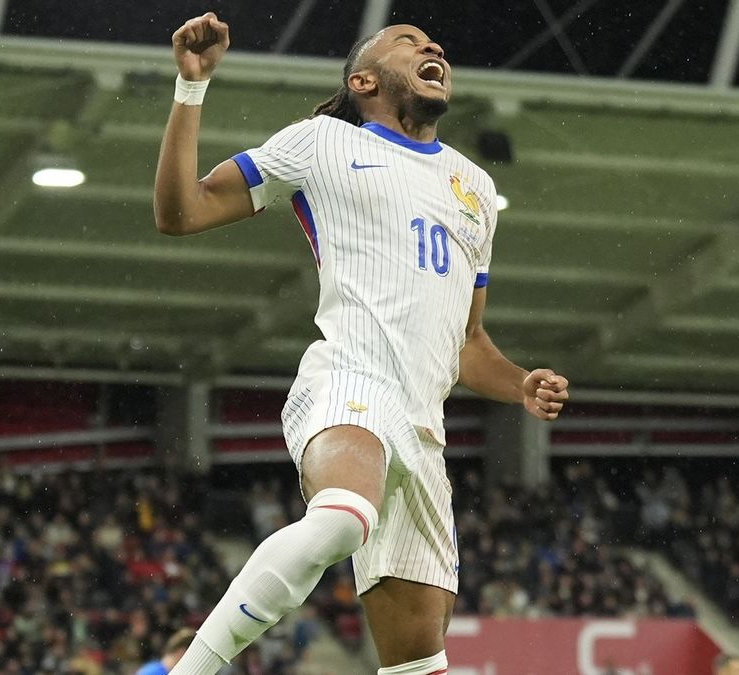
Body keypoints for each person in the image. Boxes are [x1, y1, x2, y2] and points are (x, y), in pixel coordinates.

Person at [154, 12, 569, 675]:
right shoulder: (320, 143)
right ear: (364, 79)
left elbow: (468, 342)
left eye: (434, 43)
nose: (432, 45)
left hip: (423, 434)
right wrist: (191, 88)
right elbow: (180, 212)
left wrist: (518, 382)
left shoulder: (477, 191)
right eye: (407, 43)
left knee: (417, 664)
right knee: (343, 517)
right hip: (351, 380)